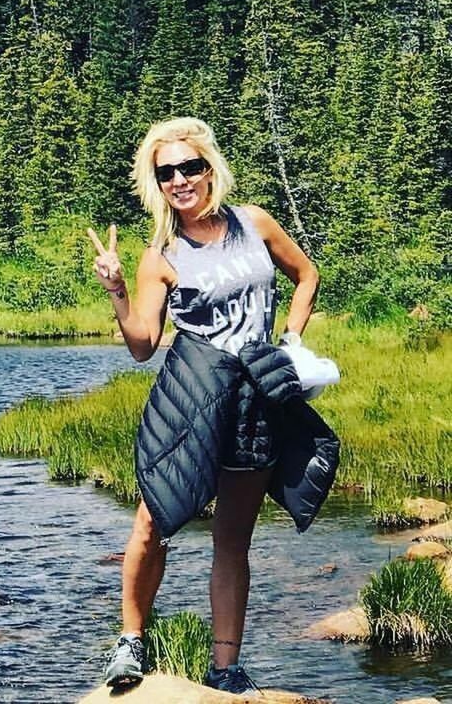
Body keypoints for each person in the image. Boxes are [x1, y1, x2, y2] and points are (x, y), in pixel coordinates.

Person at [88, 117, 337, 695]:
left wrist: (291, 344)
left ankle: (224, 667)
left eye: (189, 167)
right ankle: (130, 645)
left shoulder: (255, 223)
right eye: (166, 172)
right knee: (153, 520)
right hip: (194, 398)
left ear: (210, 168)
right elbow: (143, 345)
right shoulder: (162, 253)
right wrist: (118, 290)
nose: (180, 180)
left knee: (233, 540)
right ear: (157, 183)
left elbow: (306, 275)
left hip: (256, 399)